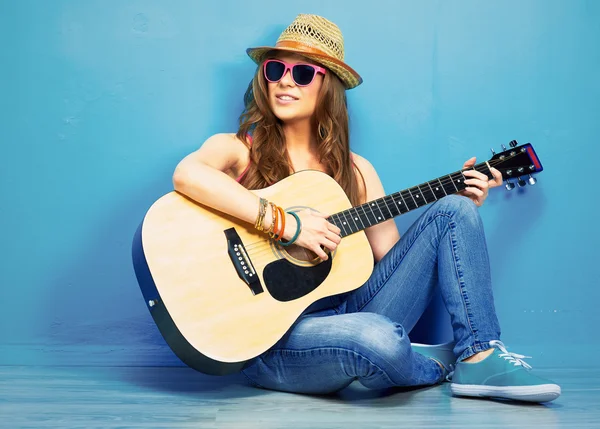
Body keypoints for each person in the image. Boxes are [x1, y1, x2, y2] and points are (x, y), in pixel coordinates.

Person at [172, 14, 560, 403]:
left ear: (328, 86)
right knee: (378, 339)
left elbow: (396, 264)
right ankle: (431, 363)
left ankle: (478, 356)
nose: (285, 81)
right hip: (270, 339)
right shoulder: (241, 149)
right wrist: (287, 226)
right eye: (276, 69)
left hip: (345, 313)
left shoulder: (356, 172)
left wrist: (462, 200)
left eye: (303, 73)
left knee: (452, 211)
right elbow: (187, 175)